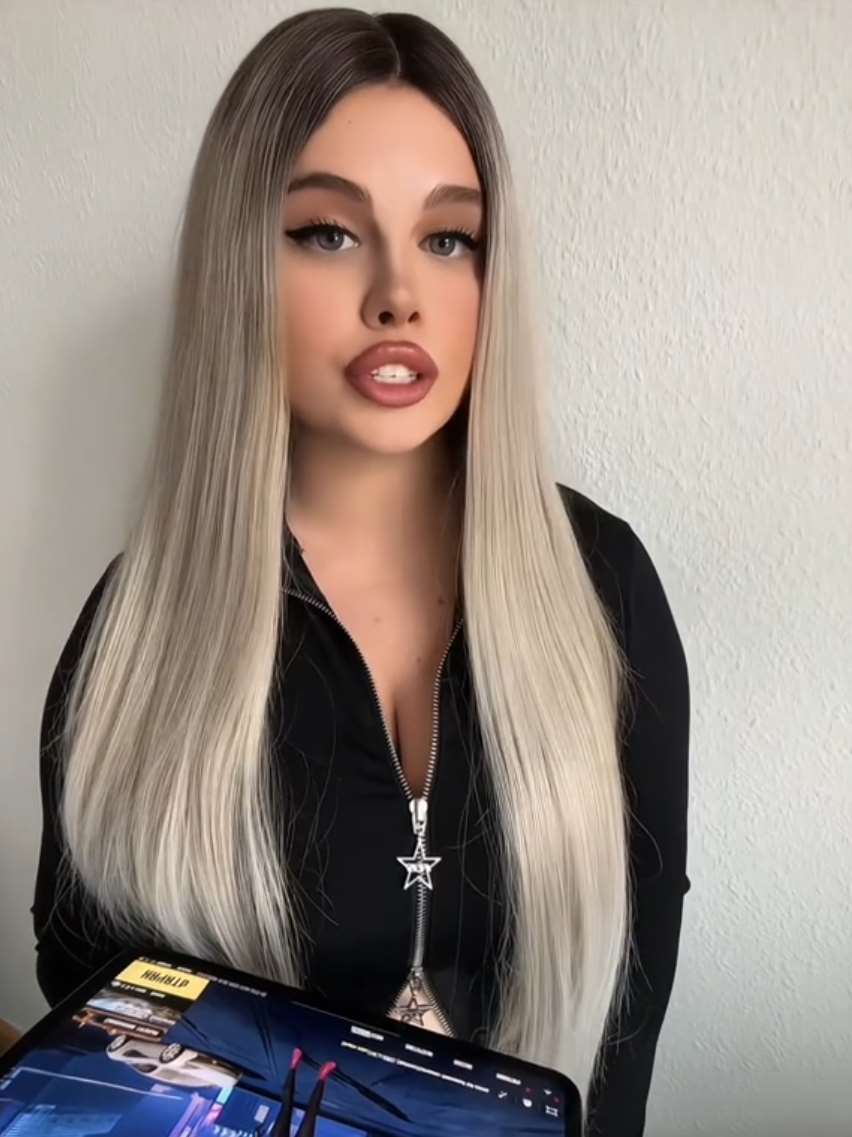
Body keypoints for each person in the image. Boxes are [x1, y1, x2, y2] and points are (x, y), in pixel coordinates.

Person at [32, 9, 690, 1136]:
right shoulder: (137, 633)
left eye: (450, 238)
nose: (398, 293)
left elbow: (624, 1021)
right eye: (329, 232)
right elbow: (92, 1026)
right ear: (241, 263)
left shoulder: (605, 590)